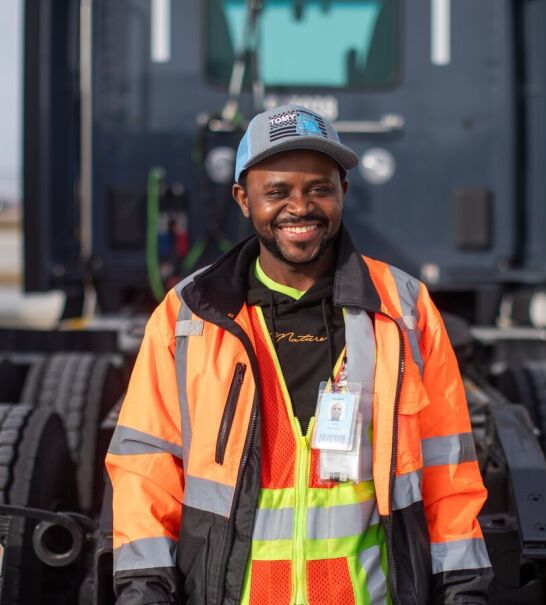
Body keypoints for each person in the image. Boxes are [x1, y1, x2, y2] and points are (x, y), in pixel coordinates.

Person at [106, 104, 492, 604]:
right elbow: (146, 470)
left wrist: (464, 590)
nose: (300, 207)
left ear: (343, 193)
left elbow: (448, 470)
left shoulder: (405, 309)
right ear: (243, 199)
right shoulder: (190, 315)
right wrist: (144, 591)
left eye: (319, 189)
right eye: (277, 191)